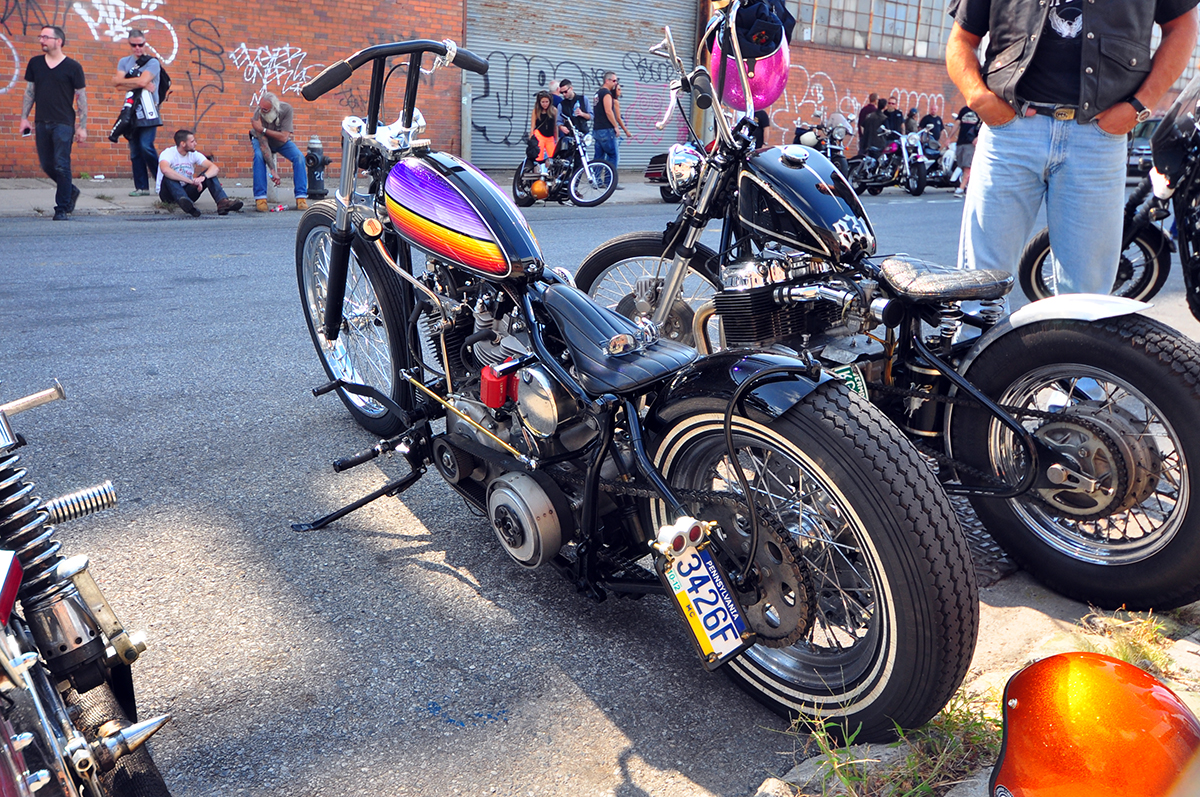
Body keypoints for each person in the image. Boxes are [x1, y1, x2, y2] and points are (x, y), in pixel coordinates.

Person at [948, 0, 1199, 294]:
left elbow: (1182, 26)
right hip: (1010, 129)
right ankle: (975, 341)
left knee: (1086, 295)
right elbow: (962, 37)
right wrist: (977, 97)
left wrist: (1139, 107)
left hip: (1096, 135)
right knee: (979, 285)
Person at [18, 26, 86, 221]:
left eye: (46, 37)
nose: (42, 40)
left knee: (62, 165)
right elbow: (30, 92)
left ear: (59, 41)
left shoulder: (73, 67)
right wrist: (24, 118)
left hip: (63, 123)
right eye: (41, 36)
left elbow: (81, 98)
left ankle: (61, 208)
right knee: (48, 165)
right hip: (41, 122)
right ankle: (70, 190)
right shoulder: (35, 64)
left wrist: (81, 126)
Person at [112, 29, 161, 197]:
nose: (138, 48)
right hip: (131, 111)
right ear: (130, 45)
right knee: (134, 150)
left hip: (148, 111)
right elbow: (116, 83)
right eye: (134, 45)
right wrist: (139, 83)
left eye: (141, 44)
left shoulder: (152, 62)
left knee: (146, 146)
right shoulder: (124, 62)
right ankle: (141, 187)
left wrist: (130, 81)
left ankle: (162, 181)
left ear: (145, 44)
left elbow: (137, 81)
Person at [157, 128, 243, 217]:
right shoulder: (168, 153)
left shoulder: (194, 154)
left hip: (188, 193)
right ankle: (186, 203)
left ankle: (222, 203)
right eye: (192, 141)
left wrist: (203, 178)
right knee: (169, 176)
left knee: (209, 174)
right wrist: (190, 181)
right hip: (168, 195)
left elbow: (214, 168)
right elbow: (165, 170)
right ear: (183, 144)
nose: (195, 144)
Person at [250, 92, 307, 213]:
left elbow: (284, 137)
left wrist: (263, 129)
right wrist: (273, 170)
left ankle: (301, 197)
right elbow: (264, 145)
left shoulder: (286, 110)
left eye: (265, 110)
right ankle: (260, 198)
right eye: (261, 108)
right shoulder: (258, 114)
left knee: (299, 157)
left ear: (274, 109)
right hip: (261, 140)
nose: (262, 111)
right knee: (259, 157)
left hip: (280, 141)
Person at [593, 71, 620, 175]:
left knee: (599, 157)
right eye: (613, 81)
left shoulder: (597, 94)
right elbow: (608, 111)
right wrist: (615, 126)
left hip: (597, 129)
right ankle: (610, 181)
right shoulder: (606, 93)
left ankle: (596, 180)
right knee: (613, 155)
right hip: (606, 129)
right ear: (607, 81)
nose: (615, 83)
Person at [951, 106, 980, 198]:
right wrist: (949, 137)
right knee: (961, 165)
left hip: (971, 142)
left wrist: (978, 138)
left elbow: (985, 125)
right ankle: (970, 186)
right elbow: (957, 123)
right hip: (961, 141)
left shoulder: (981, 109)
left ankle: (961, 188)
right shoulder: (964, 110)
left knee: (968, 166)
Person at [526, 91, 557, 167]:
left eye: (547, 102)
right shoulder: (536, 111)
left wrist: (557, 138)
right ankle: (538, 171)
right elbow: (532, 126)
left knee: (553, 156)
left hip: (550, 136)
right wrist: (531, 137)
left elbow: (555, 126)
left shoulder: (554, 110)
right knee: (538, 156)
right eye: (543, 102)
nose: (545, 104)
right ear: (539, 102)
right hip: (539, 135)